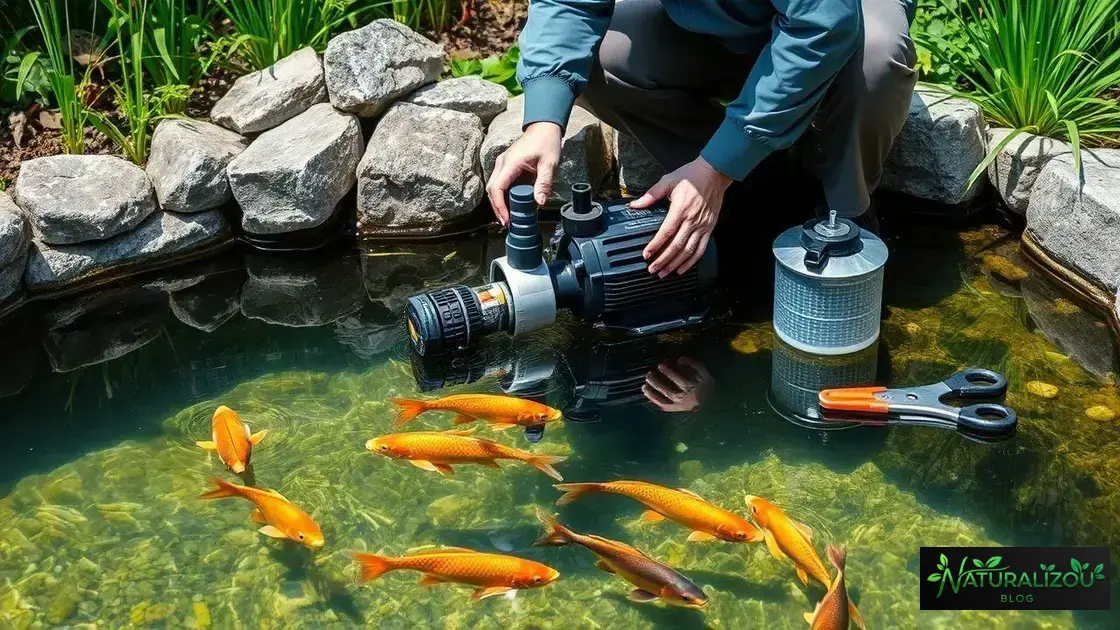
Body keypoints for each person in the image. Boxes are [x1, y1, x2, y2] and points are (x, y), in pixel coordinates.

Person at [486, 0, 917, 277]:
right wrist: (543, 121)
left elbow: (824, 25)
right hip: (716, 17)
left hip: (843, 17)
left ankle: (844, 221)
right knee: (601, 59)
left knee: (874, 62)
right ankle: (757, 191)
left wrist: (716, 168)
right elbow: (568, 3)